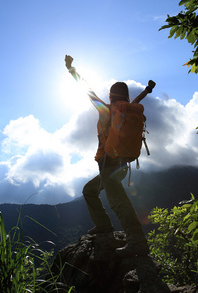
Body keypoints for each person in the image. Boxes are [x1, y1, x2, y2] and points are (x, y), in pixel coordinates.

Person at [65, 55, 155, 257]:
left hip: (108, 165)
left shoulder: (106, 110)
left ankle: (137, 241)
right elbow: (137, 100)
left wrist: (71, 70)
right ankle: (104, 226)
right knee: (89, 190)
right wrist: (147, 90)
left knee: (119, 202)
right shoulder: (126, 110)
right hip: (122, 166)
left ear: (111, 96)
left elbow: (87, 90)